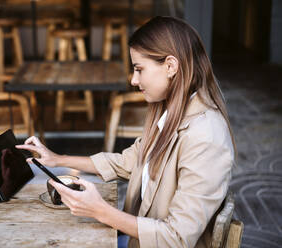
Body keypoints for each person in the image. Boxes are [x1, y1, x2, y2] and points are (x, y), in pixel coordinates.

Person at [16, 16, 236, 248]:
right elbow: (129, 161)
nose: (133, 80)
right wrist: (57, 159)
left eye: (140, 69)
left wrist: (101, 211)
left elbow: (177, 238)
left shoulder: (206, 137)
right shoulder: (172, 112)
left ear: (171, 66)